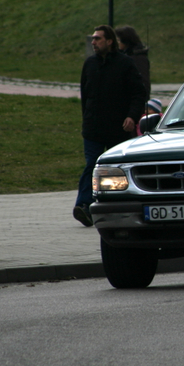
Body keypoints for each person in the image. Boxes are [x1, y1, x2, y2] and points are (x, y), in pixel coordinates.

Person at [73, 25, 146, 227]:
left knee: (116, 169)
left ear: (109, 41)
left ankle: (118, 206)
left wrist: (132, 117)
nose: (93, 42)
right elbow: (85, 96)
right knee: (91, 165)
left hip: (118, 129)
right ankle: (83, 206)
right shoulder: (89, 64)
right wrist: (87, 119)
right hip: (93, 128)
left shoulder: (125, 64)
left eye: (97, 38)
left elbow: (138, 93)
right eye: (93, 39)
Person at [115, 25, 151, 97]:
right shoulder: (124, 55)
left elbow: (143, 81)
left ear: (126, 41)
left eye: (118, 40)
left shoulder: (138, 58)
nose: (117, 43)